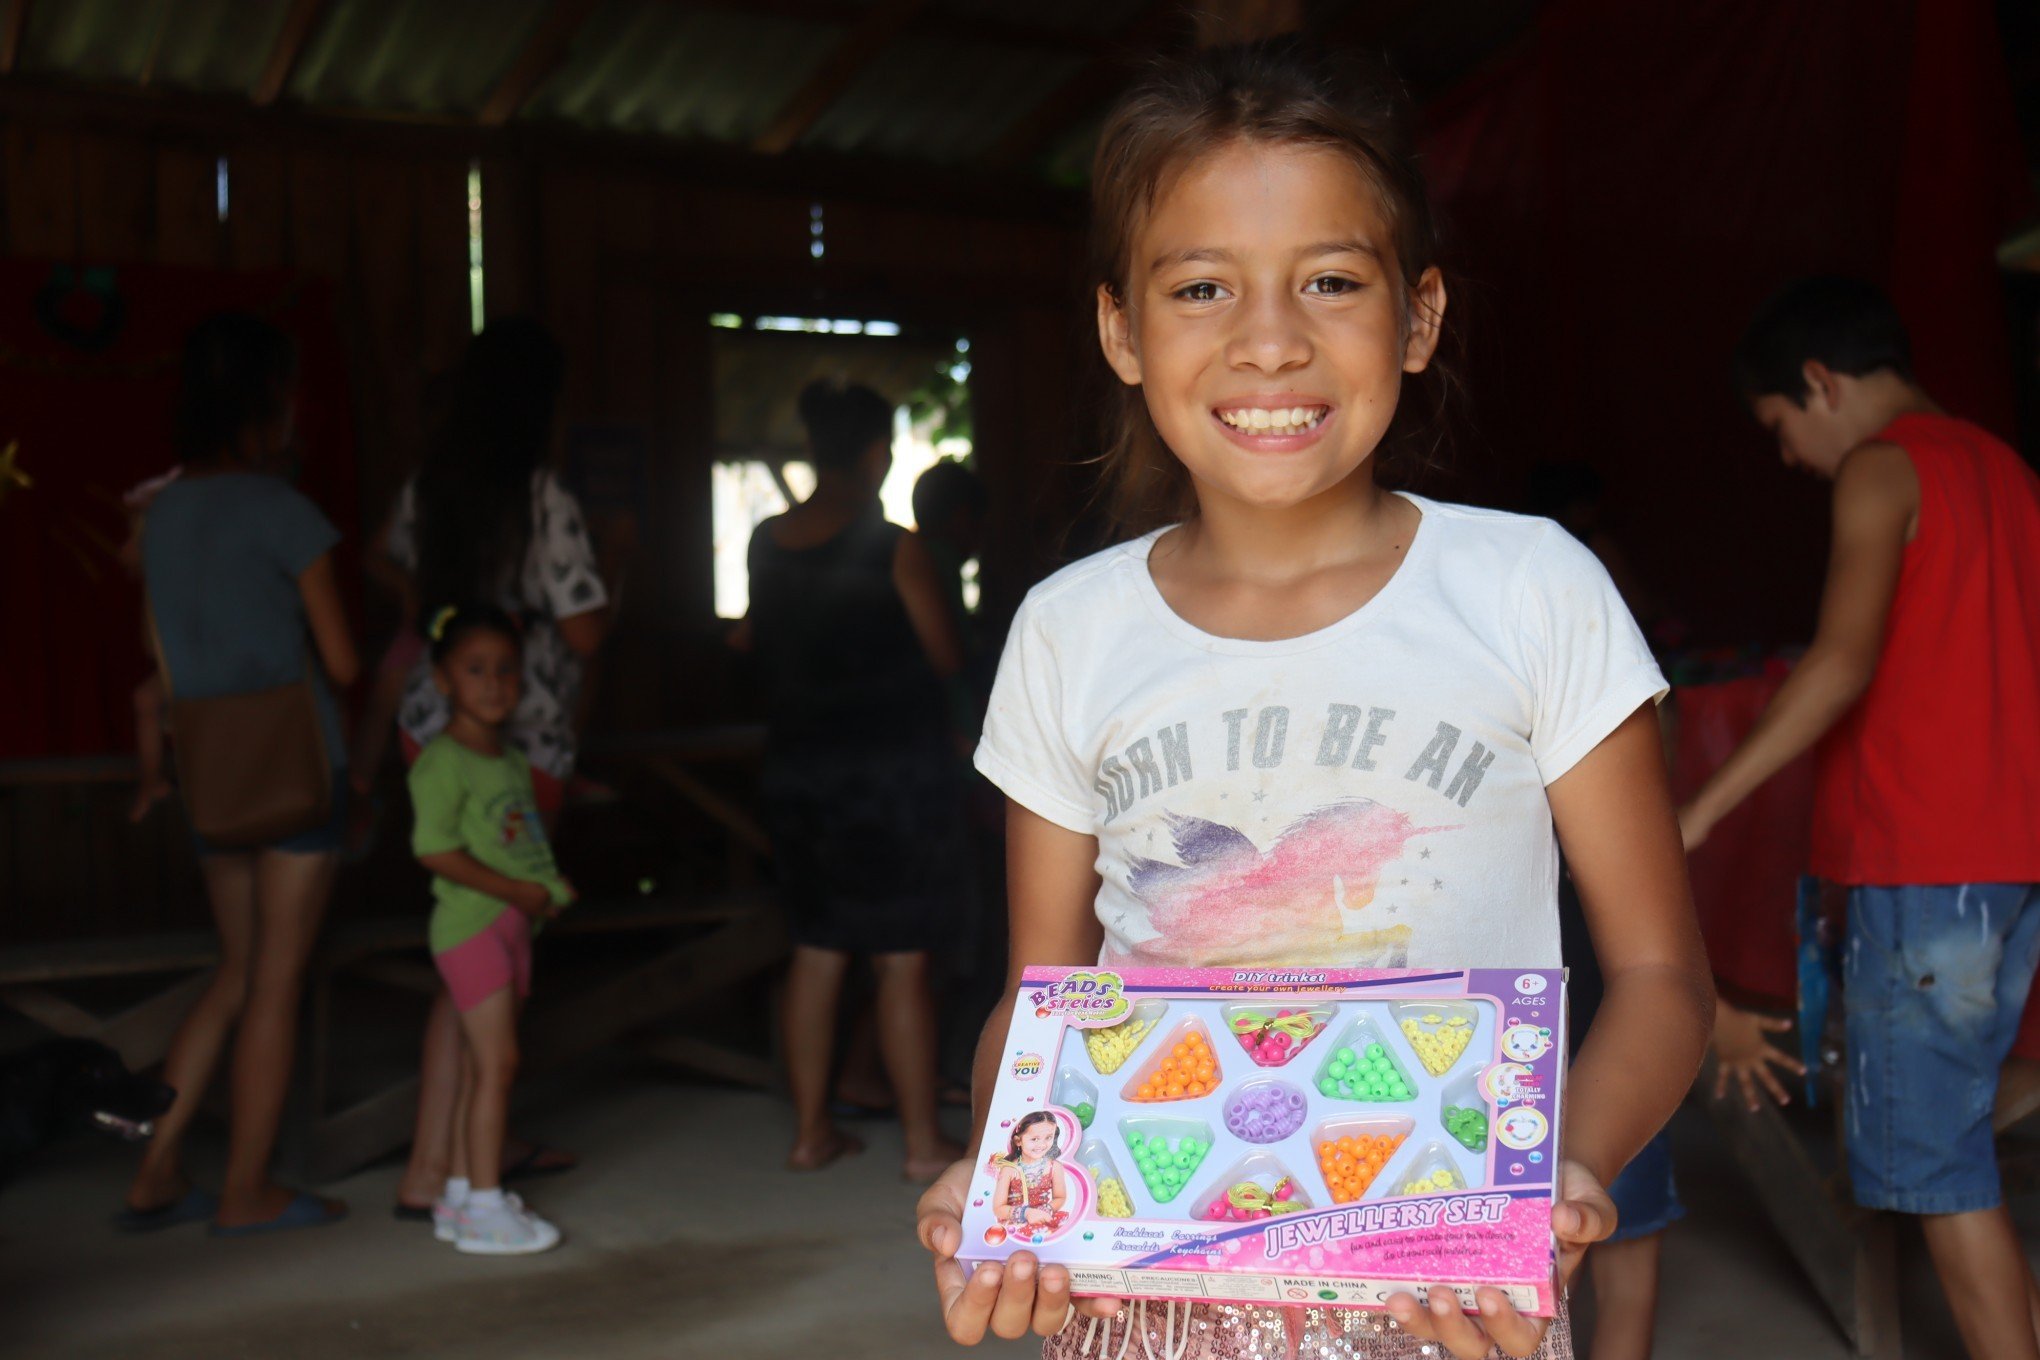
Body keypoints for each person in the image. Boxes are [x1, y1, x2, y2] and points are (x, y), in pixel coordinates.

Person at [913, 40, 1712, 1360]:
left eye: (1331, 282)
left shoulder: (1528, 591)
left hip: (1448, 1308)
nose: (1270, 342)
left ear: (1418, 315)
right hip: (1141, 1313)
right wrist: (1014, 1182)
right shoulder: (1071, 631)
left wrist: (1554, 1179)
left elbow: (1661, 977)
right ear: (1123, 328)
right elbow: (1041, 1000)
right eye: (1203, 288)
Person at [1678, 276, 2040, 1360]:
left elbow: (1841, 662)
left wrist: (1704, 805)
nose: (1791, 455)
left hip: (1923, 864)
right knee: (1955, 1140)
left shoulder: (1886, 468)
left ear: (1822, 382)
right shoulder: (2012, 472)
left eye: (1783, 425)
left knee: (1936, 1174)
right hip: (2008, 860)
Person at [120, 313, 359, 1235]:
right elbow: (340, 663)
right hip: (299, 769)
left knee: (236, 968)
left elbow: (160, 646)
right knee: (275, 982)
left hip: (212, 769)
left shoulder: (164, 513)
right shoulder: (287, 513)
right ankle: (249, 1189)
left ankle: (155, 1169)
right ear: (268, 402)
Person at [386, 318, 611, 1220]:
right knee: (488, 942)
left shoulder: (430, 487)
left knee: (471, 937)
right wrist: (621, 566)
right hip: (515, 739)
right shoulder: (540, 493)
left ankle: (470, 1146)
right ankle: (438, 1168)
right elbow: (586, 626)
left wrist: (444, 621)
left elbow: (384, 561)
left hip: (427, 722)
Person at [743, 378, 971, 1181]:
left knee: (816, 950)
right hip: (891, 777)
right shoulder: (895, 546)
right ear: (877, 454)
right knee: (902, 958)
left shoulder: (766, 541)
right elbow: (946, 655)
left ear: (814, 448)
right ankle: (920, 1145)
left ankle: (810, 1134)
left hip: (799, 771)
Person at [408, 603, 575, 1254]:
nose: (494, 683)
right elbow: (436, 851)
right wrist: (518, 892)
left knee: (486, 1068)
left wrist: (547, 889)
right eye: (475, 669)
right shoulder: (442, 761)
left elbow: (517, 845)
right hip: (472, 928)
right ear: (443, 679)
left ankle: (459, 1196)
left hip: (509, 924)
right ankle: (483, 1203)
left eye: (506, 669)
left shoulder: (504, 758)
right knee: (497, 1064)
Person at [994, 1112, 1070, 1234]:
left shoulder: (1054, 1167)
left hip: (1043, 1216)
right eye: (1034, 1139)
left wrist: (1045, 1210)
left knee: (1066, 1228)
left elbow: (1060, 1197)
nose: (1042, 1144)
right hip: (1016, 1221)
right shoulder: (1009, 1170)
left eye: (1048, 1137)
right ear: (1018, 1141)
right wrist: (1027, 1213)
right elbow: (998, 1208)